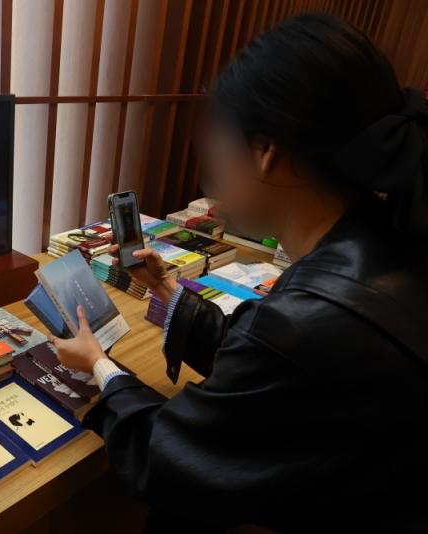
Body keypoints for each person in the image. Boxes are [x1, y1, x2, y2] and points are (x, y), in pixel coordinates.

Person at [49, 14, 428, 533]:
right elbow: (278, 373)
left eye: (219, 137)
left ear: (267, 153)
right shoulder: (386, 242)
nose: (211, 161)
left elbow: (170, 456)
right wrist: (168, 290)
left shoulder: (309, 322)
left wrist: (99, 367)